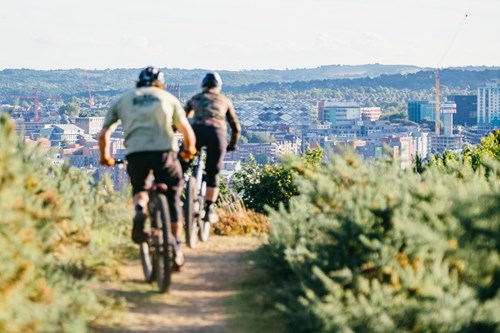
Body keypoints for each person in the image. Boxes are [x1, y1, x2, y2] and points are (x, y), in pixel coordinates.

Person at [99, 66, 196, 268]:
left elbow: (104, 134)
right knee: (173, 196)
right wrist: (189, 151)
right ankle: (176, 247)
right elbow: (186, 130)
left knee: (141, 189)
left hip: (136, 154)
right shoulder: (167, 98)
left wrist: (106, 157)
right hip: (164, 153)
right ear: (160, 83)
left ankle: (139, 209)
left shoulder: (124, 99)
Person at [184, 71, 241, 223]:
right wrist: (232, 144)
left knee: (182, 162)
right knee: (213, 172)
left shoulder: (195, 99)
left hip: (197, 132)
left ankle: (176, 189)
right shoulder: (224, 101)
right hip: (217, 134)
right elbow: (235, 127)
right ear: (218, 87)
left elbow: (183, 120)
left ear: (203, 86)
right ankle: (208, 209)